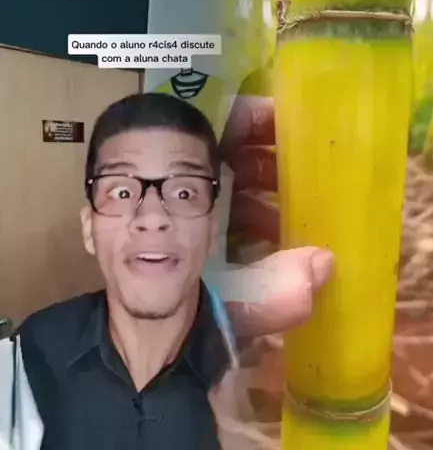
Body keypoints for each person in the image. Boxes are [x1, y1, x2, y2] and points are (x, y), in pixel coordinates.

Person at [12, 93, 333, 450]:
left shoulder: (261, 375)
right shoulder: (37, 347)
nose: (152, 218)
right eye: (121, 192)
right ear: (89, 229)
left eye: (183, 193)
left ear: (212, 228)